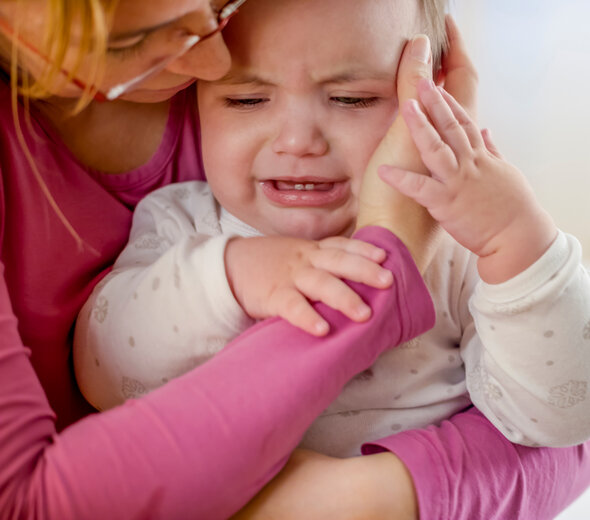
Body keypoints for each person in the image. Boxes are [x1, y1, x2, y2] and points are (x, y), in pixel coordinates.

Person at [0, 0, 588, 519]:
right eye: (248, 98)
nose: (299, 140)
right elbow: (103, 376)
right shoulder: (187, 225)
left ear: (425, 92)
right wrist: (230, 277)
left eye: (352, 98)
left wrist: (522, 248)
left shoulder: (458, 243)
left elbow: (560, 418)